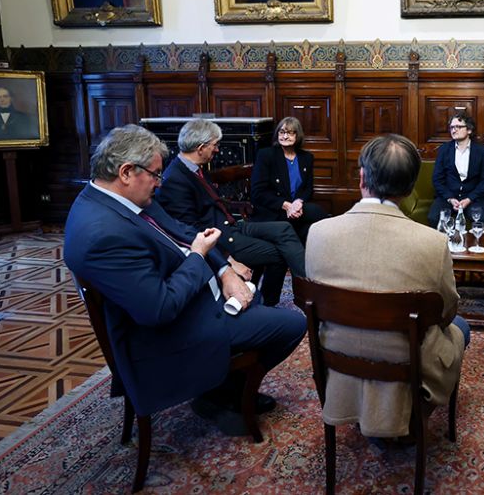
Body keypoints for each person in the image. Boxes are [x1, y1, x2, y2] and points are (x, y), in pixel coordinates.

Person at [63, 124, 305, 422]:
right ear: (126, 172)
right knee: (293, 325)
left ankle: (224, 387)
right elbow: (159, 309)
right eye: (154, 174)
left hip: (193, 299)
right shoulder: (102, 233)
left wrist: (225, 271)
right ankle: (225, 393)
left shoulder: (124, 201)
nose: (159, 183)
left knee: (256, 299)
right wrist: (198, 258)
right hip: (174, 332)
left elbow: (185, 231)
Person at [306, 134, 469, 438]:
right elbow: (446, 313)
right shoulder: (433, 243)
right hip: (406, 366)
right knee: (461, 328)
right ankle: (409, 418)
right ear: (410, 187)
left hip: (338, 358)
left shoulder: (317, 233)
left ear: (362, 176)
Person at [156, 119, 306, 307]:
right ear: (201, 148)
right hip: (223, 239)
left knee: (283, 228)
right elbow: (190, 231)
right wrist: (228, 260)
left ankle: (308, 283)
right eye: (215, 145)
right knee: (278, 254)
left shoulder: (193, 169)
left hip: (231, 226)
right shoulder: (175, 180)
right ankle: (270, 304)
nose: (217, 150)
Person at [250, 116, 328, 244]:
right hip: (273, 210)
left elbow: (308, 188)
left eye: (290, 133)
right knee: (316, 212)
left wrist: (298, 202)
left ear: (298, 135)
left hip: (296, 211)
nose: (285, 136)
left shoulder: (306, 158)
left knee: (310, 230)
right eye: (282, 132)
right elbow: (258, 192)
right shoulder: (266, 155)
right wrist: (286, 206)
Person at [428, 113, 484, 227]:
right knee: (433, 218)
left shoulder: (481, 151)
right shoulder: (444, 150)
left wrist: (469, 199)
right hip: (448, 196)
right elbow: (437, 179)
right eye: (452, 127)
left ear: (469, 130)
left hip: (473, 197)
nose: (454, 130)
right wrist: (450, 198)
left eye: (458, 127)